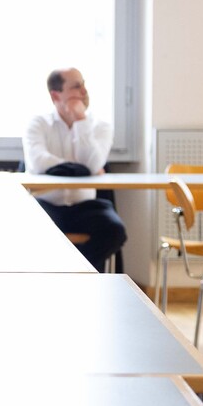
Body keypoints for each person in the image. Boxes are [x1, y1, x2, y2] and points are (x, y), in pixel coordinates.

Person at [23, 67, 126, 270]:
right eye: (76, 86)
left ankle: (77, 274)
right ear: (55, 95)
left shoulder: (100, 126)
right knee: (30, 231)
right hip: (46, 203)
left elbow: (95, 163)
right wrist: (83, 169)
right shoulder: (38, 124)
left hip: (86, 207)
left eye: (84, 84)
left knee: (115, 231)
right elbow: (37, 162)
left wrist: (80, 121)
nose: (84, 91)